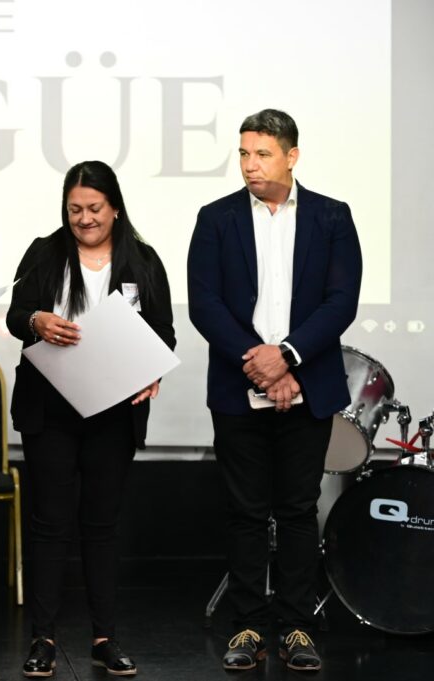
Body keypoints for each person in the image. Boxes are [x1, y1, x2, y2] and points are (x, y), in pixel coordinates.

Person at [187, 109, 362, 672]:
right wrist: (259, 363)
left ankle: (296, 627)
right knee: (244, 511)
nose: (249, 165)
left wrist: (286, 357)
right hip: (238, 385)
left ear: (292, 156)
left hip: (308, 385)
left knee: (297, 510)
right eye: (243, 153)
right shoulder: (215, 218)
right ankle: (246, 626)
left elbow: (341, 301)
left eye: (262, 154)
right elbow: (205, 303)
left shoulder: (332, 216)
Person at [6, 161, 175, 678]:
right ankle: (43, 638)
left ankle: (105, 638)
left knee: (101, 526)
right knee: (49, 524)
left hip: (114, 412)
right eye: (75, 209)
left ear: (115, 207)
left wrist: (153, 372)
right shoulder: (44, 252)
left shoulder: (143, 261)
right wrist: (36, 321)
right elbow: (15, 316)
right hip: (50, 410)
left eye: (95, 208)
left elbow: (164, 333)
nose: (84, 219)